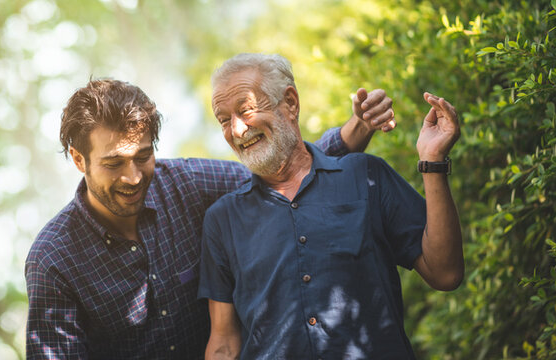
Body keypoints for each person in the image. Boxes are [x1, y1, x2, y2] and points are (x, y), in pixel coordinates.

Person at [25, 78, 396, 359]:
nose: (134, 176)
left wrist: (354, 131)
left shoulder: (189, 184)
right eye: (113, 164)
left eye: (142, 156)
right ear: (78, 160)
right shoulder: (53, 260)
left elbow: (280, 176)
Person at [198, 53, 463, 360]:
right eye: (224, 120)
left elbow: (445, 274)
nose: (237, 130)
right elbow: (224, 343)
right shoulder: (222, 220)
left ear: (290, 103)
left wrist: (432, 162)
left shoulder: (365, 176)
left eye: (246, 111)